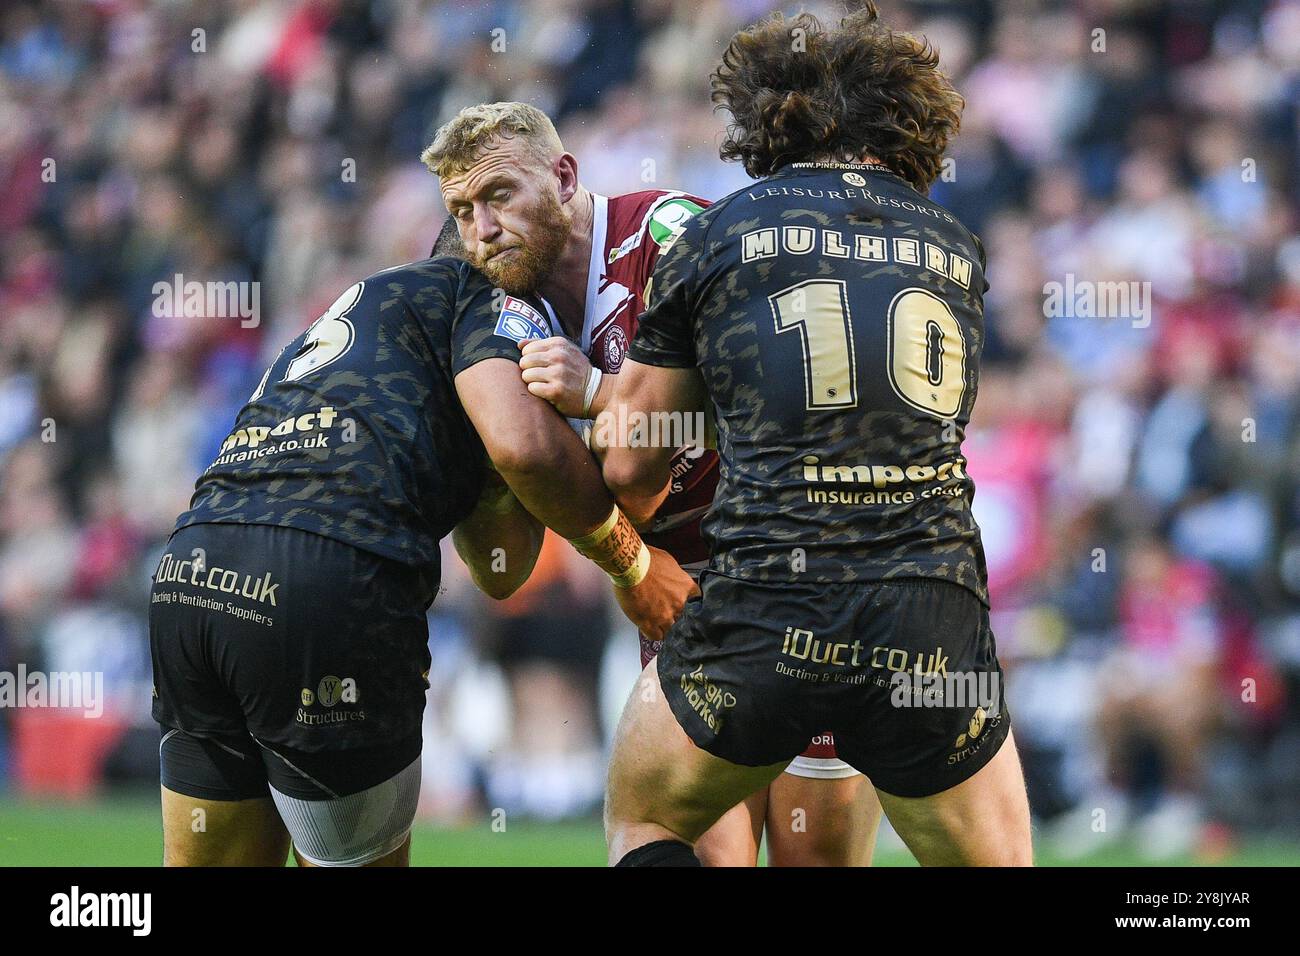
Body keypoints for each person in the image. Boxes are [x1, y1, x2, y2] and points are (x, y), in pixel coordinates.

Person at [600, 5, 1033, 867]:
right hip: (927, 611)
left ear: (766, 120)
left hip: (765, 605)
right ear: (908, 124)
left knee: (646, 823)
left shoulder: (717, 232)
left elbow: (628, 459)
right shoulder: (956, 246)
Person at [423, 101, 881, 865]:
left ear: (564, 177)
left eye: (499, 194)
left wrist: (602, 393)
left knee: (817, 854)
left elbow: (788, 395)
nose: (483, 228)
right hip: (676, 598)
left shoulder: (671, 234)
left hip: (804, 576)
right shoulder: (507, 311)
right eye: (463, 211)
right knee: (696, 850)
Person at [150, 255, 694, 867]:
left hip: (192, 569)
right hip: (326, 574)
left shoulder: (362, 309)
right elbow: (518, 483)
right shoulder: (494, 295)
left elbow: (496, 565)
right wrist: (632, 564)